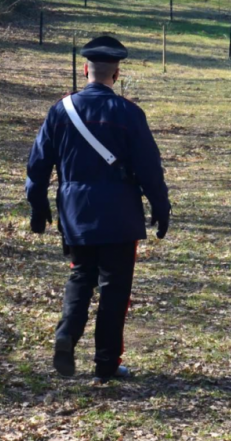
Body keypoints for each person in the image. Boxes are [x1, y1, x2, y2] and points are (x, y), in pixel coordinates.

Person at [25, 36, 171, 383]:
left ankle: (66, 335)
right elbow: (150, 168)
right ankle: (106, 363)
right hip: (120, 215)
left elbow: (38, 163)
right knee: (114, 288)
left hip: (76, 213)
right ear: (116, 74)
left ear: (85, 69)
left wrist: (37, 204)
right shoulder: (130, 114)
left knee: (80, 275)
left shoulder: (60, 111)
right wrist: (161, 206)